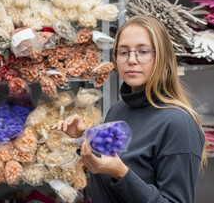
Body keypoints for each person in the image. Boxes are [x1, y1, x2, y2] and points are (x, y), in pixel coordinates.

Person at [52, 15, 206, 203]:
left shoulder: (178, 123)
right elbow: (106, 173)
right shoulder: (117, 110)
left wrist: (122, 173)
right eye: (124, 52)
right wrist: (82, 139)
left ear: (162, 56)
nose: (132, 60)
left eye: (143, 51)